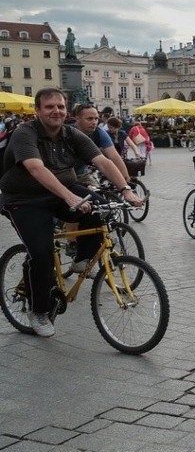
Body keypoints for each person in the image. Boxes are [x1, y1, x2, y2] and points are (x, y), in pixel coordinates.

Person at [0, 88, 142, 337]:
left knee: (101, 209)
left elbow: (103, 161)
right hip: (25, 200)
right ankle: (39, 310)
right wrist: (69, 196)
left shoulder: (71, 134)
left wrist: (125, 189)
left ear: (67, 110)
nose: (56, 111)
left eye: (61, 107)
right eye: (49, 107)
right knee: (41, 255)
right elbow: (35, 168)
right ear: (37, 111)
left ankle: (81, 260)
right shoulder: (25, 133)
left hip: (63, 189)